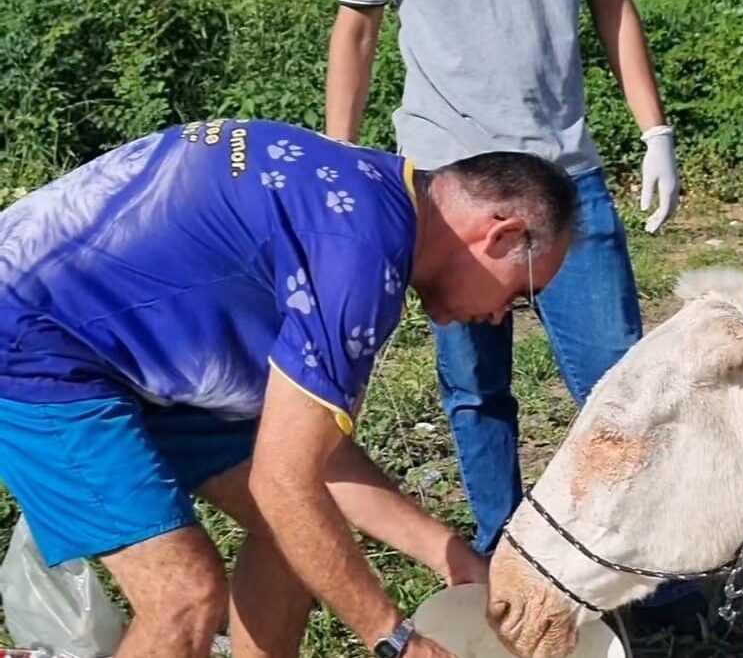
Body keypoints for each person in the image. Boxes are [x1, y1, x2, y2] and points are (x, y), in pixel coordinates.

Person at [0, 117, 579, 658]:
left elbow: (307, 461)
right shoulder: (360, 258)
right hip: (32, 338)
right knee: (182, 593)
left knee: (294, 538)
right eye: (520, 294)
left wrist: (452, 558)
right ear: (501, 235)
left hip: (121, 336)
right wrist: (395, 636)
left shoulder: (373, 196)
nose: (503, 315)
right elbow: (285, 484)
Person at [325, 0, 706, 630]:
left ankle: (650, 570)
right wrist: (338, 165)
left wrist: (655, 129)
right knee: (475, 388)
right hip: (452, 181)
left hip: (564, 176)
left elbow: (610, 1)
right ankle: (501, 553)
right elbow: (356, 26)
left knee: (623, 385)